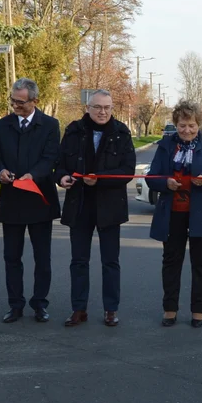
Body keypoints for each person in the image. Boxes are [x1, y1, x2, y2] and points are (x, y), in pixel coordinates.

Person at [55, 89, 136, 327]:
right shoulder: (73, 131)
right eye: (98, 107)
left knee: (110, 261)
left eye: (107, 108)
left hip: (110, 206)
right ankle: (78, 309)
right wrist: (62, 178)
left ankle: (111, 309)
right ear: (87, 108)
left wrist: (100, 179)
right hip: (79, 205)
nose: (103, 112)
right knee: (78, 261)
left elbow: (127, 171)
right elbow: (59, 165)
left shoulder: (121, 132)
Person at [146, 100, 202, 328]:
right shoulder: (165, 145)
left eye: (191, 125)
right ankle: (170, 309)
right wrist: (166, 182)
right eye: (182, 125)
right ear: (176, 124)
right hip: (172, 213)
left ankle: (198, 311)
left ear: (198, 124)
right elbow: (152, 177)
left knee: (201, 262)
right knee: (171, 262)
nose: (187, 130)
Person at [0, 77, 61, 324]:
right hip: (11, 199)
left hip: (39, 198)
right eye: (13, 100)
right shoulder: (2, 125)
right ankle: (15, 305)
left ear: (35, 101)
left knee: (42, 257)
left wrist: (35, 175)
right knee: (12, 256)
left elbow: (51, 157)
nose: (16, 106)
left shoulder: (50, 125)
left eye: (21, 102)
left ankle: (40, 304)